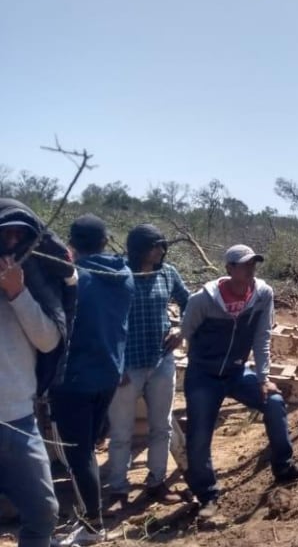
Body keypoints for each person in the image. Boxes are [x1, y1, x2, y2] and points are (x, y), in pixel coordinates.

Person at [181, 244, 298, 518]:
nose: (251, 269)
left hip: (237, 372)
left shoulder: (262, 295)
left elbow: (262, 336)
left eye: (253, 264)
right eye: (244, 264)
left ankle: (284, 467)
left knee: (273, 401)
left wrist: (263, 377)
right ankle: (207, 496)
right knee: (199, 435)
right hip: (204, 375)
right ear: (229, 268)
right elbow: (187, 330)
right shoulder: (203, 300)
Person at [49, 214, 135, 546]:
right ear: (105, 241)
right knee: (87, 449)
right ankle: (87, 515)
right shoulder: (125, 275)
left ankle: (92, 525)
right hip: (108, 374)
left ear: (71, 244)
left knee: (77, 453)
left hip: (73, 378)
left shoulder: (75, 279)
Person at [0, 201, 70, 547]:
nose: (12, 243)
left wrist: (18, 293)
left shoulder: (34, 282)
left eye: (19, 236)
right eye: (5, 235)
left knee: (43, 513)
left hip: (19, 419)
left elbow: (48, 341)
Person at [106, 224, 190, 506]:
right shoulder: (119, 275)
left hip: (160, 361)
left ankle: (156, 482)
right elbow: (106, 321)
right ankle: (118, 489)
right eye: (155, 246)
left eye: (162, 245)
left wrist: (181, 330)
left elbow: (189, 302)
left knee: (161, 427)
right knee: (121, 432)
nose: (160, 251)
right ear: (138, 248)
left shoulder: (167, 273)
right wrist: (116, 366)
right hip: (127, 367)